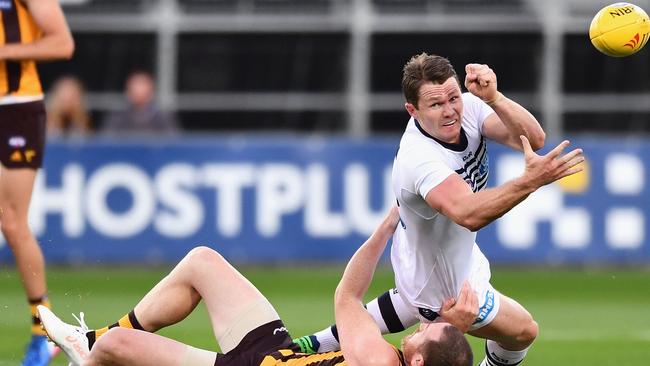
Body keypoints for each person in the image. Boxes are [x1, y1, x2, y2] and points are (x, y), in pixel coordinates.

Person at [294, 53, 585, 366]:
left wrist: (495, 98)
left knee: (394, 307)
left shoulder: (468, 107)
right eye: (435, 105)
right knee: (523, 332)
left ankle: (305, 345)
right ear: (413, 110)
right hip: (443, 290)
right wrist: (530, 182)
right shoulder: (419, 159)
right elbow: (468, 214)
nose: (450, 112)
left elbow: (533, 138)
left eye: (453, 98)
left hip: (447, 257)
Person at [38, 208, 477, 366]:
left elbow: (347, 296)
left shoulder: (380, 360)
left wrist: (385, 228)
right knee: (203, 263)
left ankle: (91, 347)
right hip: (275, 353)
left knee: (116, 348)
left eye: (423, 334)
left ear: (417, 363)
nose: (417, 329)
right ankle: (87, 341)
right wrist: (451, 328)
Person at [0, 0, 74, 365]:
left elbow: (61, 43)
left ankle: (42, 331)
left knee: (12, 221)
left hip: (15, 107)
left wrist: (3, 52)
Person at [100, 70, 179, 136]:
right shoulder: (117, 118)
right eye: (134, 88)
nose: (138, 92)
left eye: (142, 86)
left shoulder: (163, 118)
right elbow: (107, 142)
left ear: (151, 91)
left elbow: (173, 144)